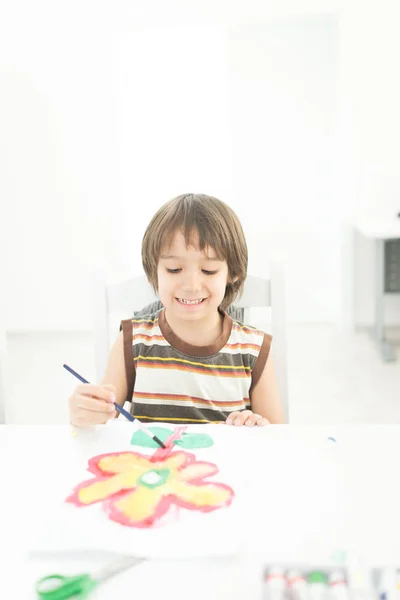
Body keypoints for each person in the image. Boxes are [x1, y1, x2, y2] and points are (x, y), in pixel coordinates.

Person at [69, 193, 285, 427]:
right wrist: (86, 414)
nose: (191, 285)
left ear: (232, 273)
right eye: (173, 269)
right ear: (155, 271)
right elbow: (101, 424)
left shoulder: (254, 349)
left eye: (209, 270)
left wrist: (254, 426)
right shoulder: (133, 341)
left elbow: (277, 440)